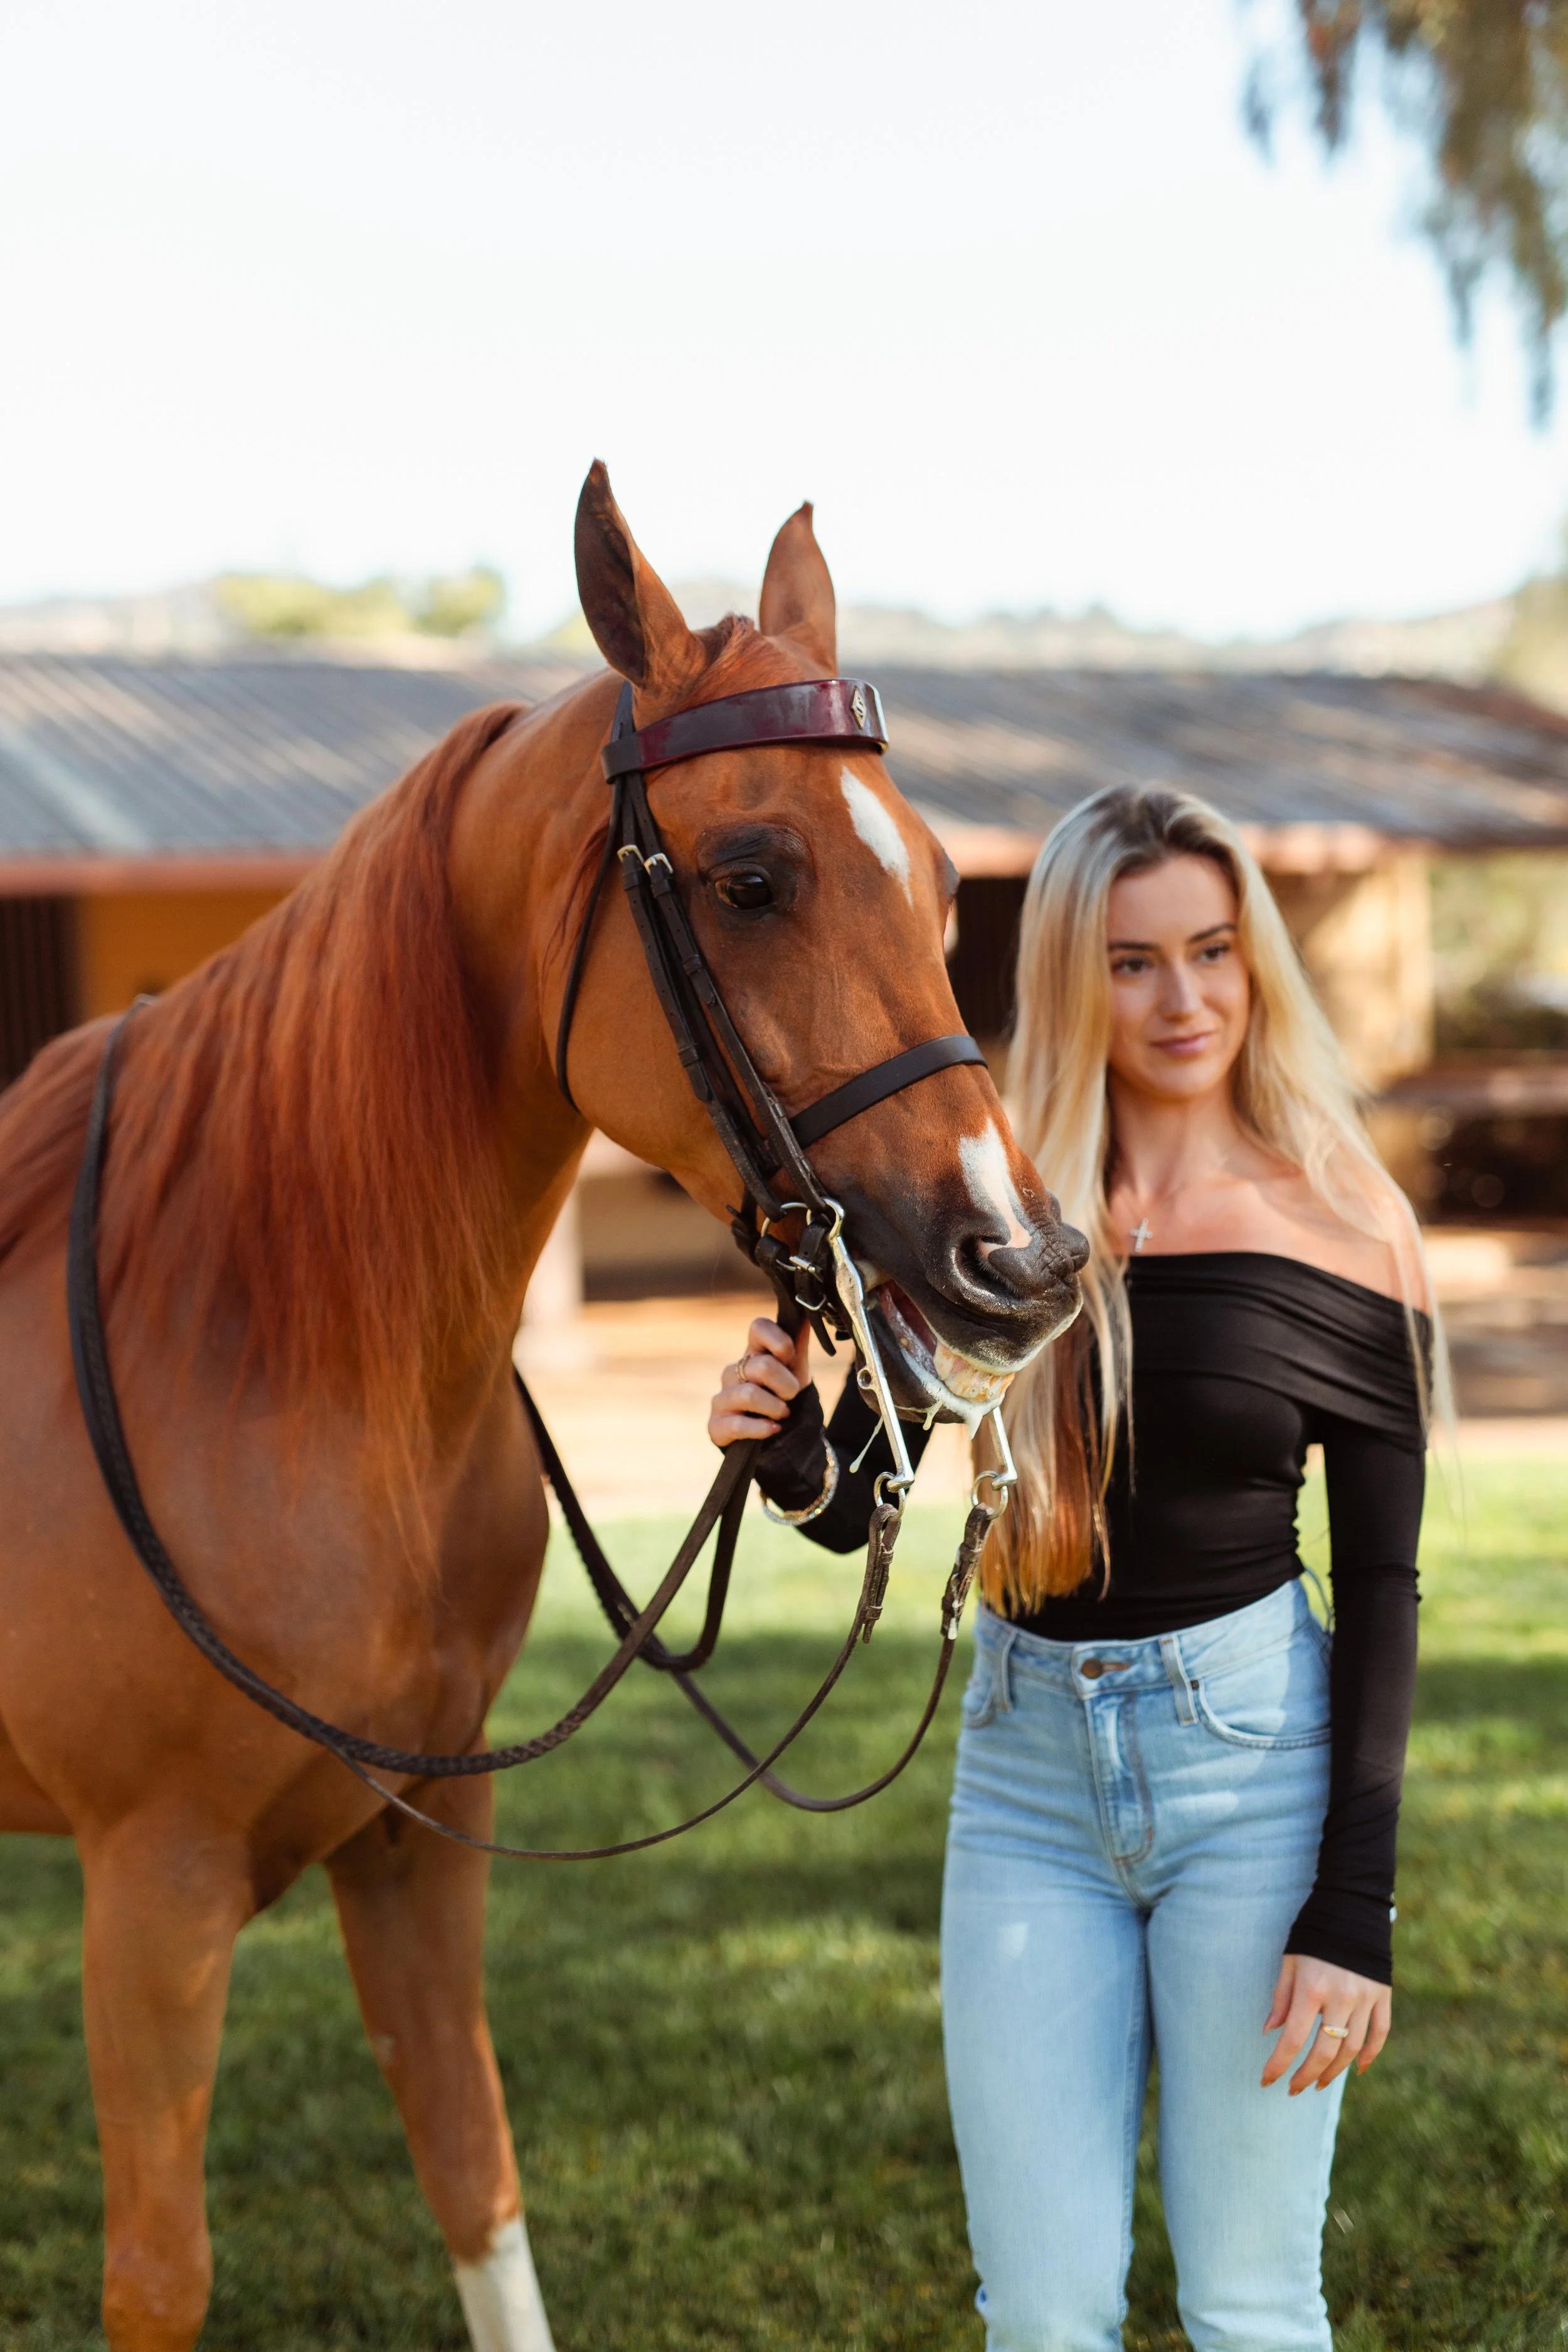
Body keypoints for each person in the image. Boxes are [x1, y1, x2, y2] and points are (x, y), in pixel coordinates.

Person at [707, 783, 1441, 2352]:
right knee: (1039, 2315)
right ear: (1066, 975)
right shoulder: (997, 1210)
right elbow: (863, 1500)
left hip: (1253, 1773)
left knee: (1249, 2302)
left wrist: (1351, 1912)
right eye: (1130, 963)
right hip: (1024, 1782)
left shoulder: (1346, 1222)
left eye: (1212, 953)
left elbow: (1381, 1587)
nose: (1183, 1001)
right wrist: (785, 1448)